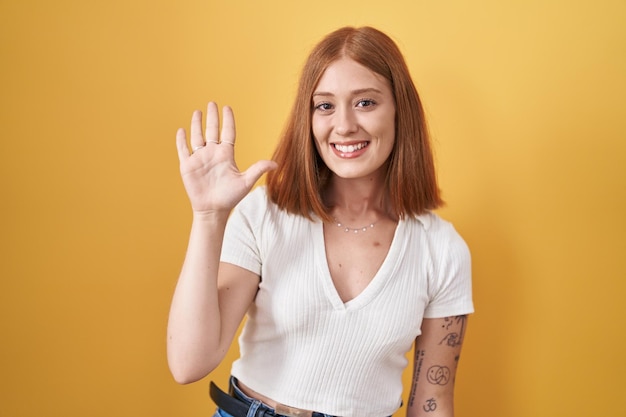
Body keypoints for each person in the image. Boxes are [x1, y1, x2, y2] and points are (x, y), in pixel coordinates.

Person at [167, 26, 473, 417]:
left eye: (365, 102)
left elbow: (432, 405)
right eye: (325, 106)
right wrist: (209, 217)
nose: (343, 125)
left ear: (400, 109)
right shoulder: (265, 214)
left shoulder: (442, 250)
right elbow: (188, 363)